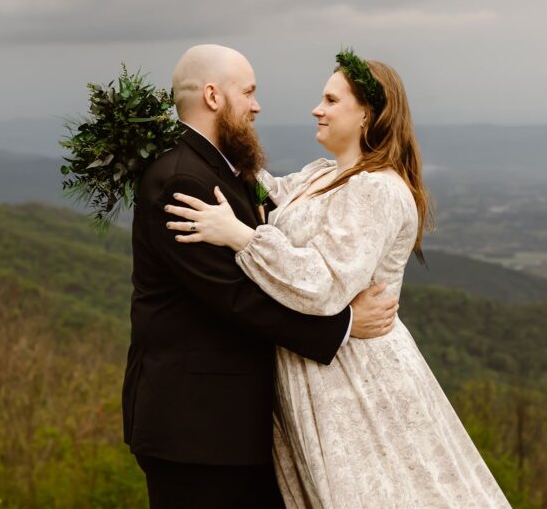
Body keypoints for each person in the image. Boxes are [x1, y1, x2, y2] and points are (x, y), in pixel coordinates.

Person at [165, 50, 512, 507]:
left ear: (367, 114)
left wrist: (241, 238)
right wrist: (174, 138)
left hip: (357, 384)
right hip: (319, 373)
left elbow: (324, 284)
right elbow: (258, 186)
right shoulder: (323, 175)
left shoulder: (377, 189)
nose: (317, 109)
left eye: (331, 100)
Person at [122, 44, 400, 509]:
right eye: (248, 93)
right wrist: (344, 325)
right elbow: (235, 297)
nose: (256, 105)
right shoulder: (181, 179)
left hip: (226, 426)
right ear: (213, 96)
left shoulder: (219, 168)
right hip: (195, 426)